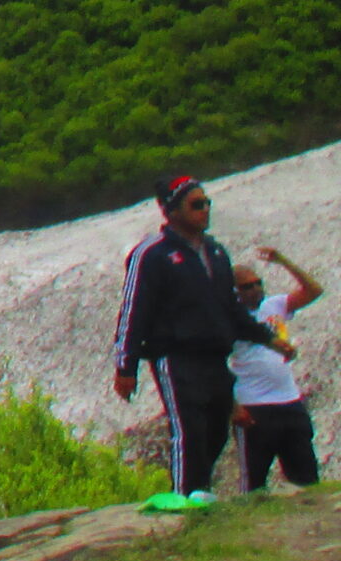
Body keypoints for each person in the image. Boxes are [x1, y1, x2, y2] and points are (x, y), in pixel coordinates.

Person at [112, 174, 283, 500]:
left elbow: (230, 307)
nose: (205, 210)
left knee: (217, 430)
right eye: (196, 204)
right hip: (175, 356)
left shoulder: (215, 252)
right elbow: (134, 309)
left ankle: (200, 493)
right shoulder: (152, 254)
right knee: (188, 431)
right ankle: (185, 500)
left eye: (207, 203)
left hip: (215, 356)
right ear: (172, 210)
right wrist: (125, 366)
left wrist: (267, 337)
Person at [231, 247, 322, 491]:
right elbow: (217, 365)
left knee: (306, 476)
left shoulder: (275, 305)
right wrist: (234, 407)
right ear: (234, 291)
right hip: (254, 404)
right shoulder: (229, 319)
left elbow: (314, 291)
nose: (256, 289)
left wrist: (283, 261)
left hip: (289, 400)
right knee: (254, 479)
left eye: (258, 283)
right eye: (247, 286)